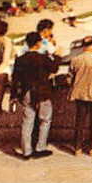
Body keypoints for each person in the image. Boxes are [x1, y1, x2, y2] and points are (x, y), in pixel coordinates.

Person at [12, 31, 57, 159]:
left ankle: (26, 150)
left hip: (26, 92)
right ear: (38, 43)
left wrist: (14, 96)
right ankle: (40, 147)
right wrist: (55, 54)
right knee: (45, 119)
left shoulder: (20, 60)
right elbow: (54, 67)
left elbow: (15, 78)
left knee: (27, 121)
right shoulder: (42, 58)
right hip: (42, 92)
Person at [68, 37, 92, 156]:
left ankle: (77, 148)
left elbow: (69, 78)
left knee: (79, 122)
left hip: (79, 94)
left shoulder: (75, 60)